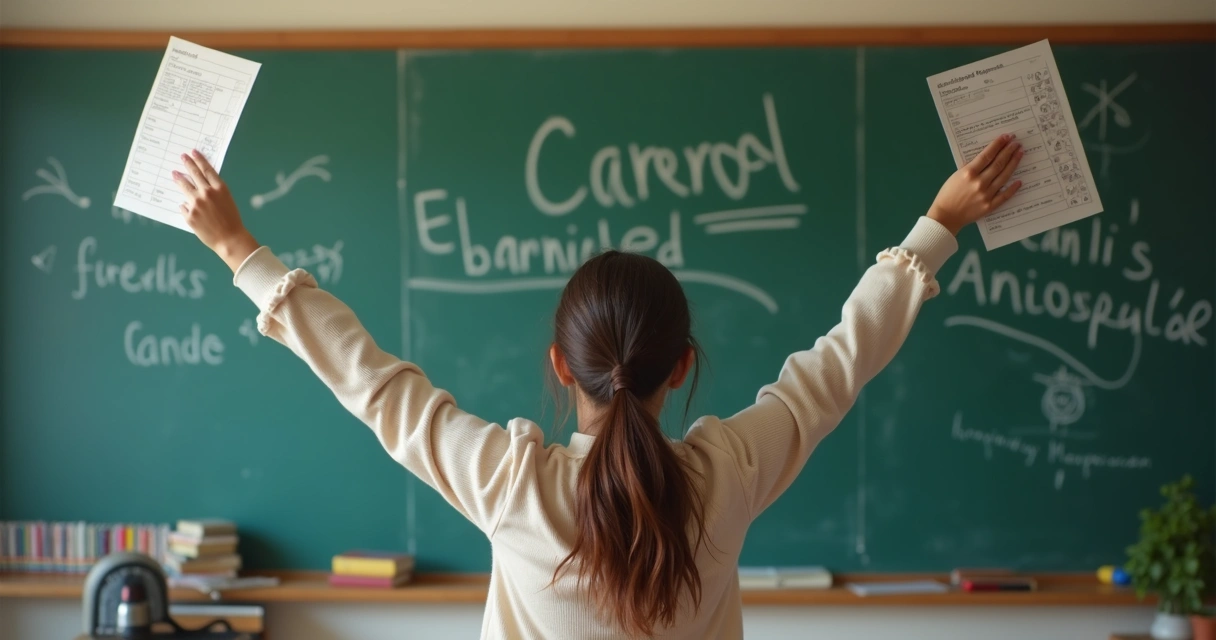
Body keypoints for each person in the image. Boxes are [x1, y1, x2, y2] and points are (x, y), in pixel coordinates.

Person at [171, 133, 1024, 639]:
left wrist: (240, 249)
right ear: (683, 365)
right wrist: (941, 223)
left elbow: (375, 387)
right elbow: (839, 364)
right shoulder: (725, 476)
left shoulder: (512, 484)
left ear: (558, 364)